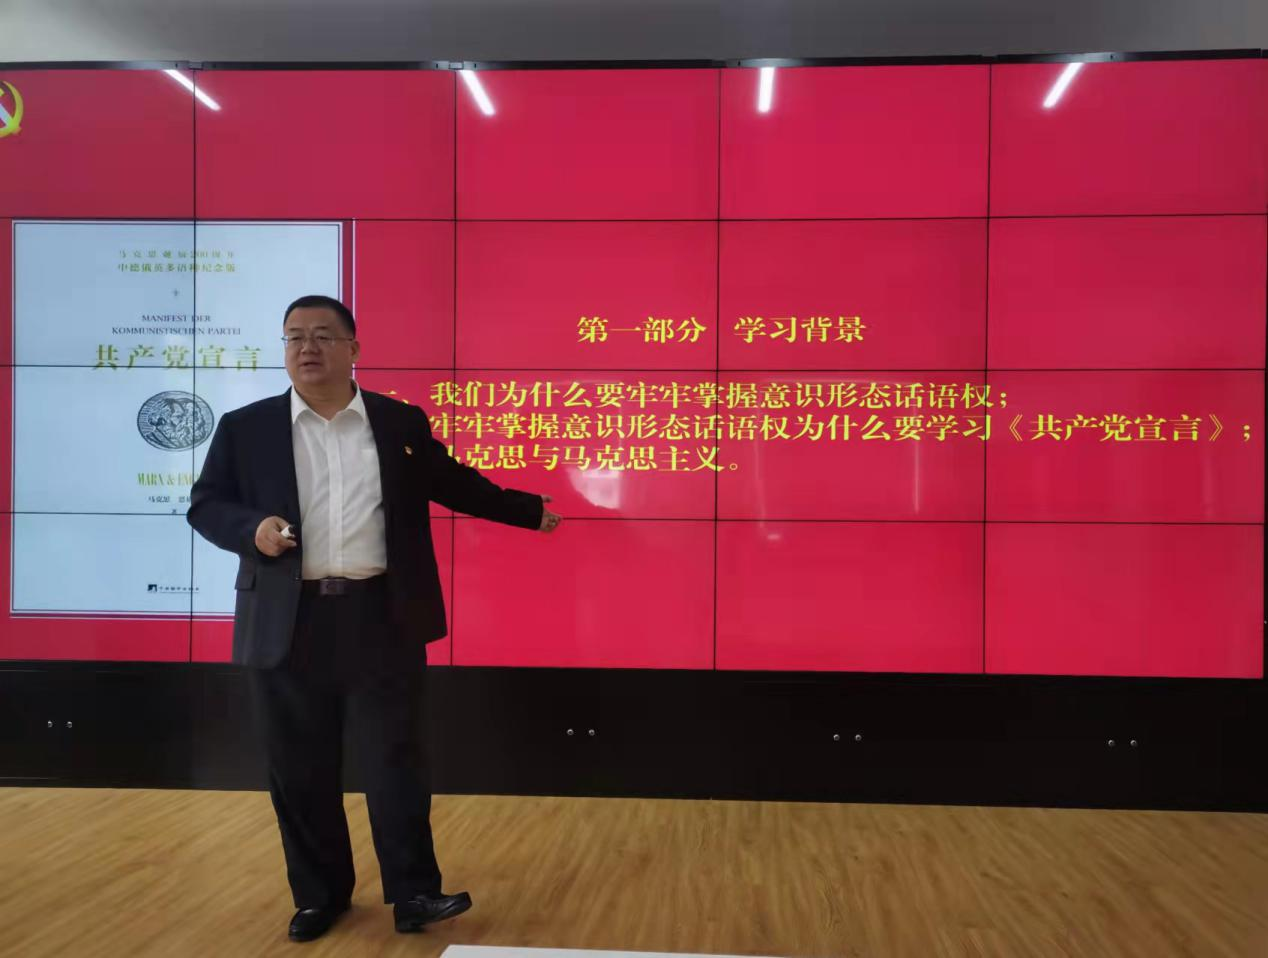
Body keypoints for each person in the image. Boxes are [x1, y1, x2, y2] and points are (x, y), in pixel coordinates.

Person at [187, 293, 562, 942]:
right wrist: (253, 530)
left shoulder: (397, 422)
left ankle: (415, 894)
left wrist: (527, 511)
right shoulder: (246, 428)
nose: (307, 347)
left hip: (382, 617)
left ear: (354, 349)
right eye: (294, 337)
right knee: (299, 769)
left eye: (322, 336)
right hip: (288, 623)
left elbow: (453, 482)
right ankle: (321, 896)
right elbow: (206, 505)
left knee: (396, 762)